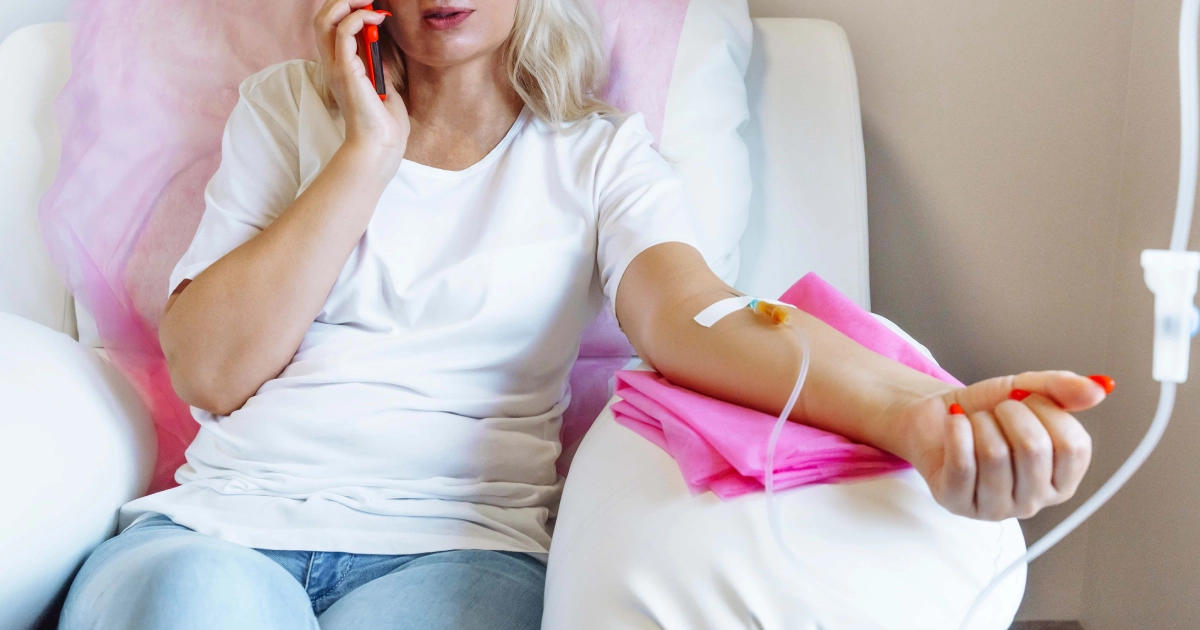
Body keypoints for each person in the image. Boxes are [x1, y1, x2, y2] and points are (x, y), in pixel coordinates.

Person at [59, 0, 1109, 628]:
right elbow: (209, 370)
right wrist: (366, 156)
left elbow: (697, 316)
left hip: (457, 554)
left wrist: (916, 411)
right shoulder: (288, 111)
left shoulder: (599, 154)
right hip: (222, 531)